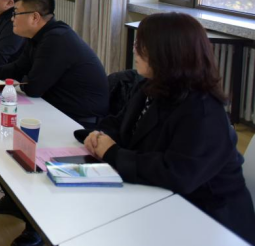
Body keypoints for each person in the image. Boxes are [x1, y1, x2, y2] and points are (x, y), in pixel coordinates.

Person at [84, 13, 255, 244]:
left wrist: (112, 153)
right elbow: (120, 124)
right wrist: (99, 136)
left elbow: (177, 173)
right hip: (159, 198)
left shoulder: (203, 111)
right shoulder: (150, 86)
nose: (134, 50)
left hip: (208, 220)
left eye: (141, 45)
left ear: (167, 53)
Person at [0, 0, 109, 246]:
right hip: (56, 107)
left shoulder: (56, 40)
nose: (13, 18)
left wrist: (15, 81)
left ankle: (35, 228)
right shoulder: (39, 36)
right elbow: (20, 67)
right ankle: (14, 202)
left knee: (23, 144)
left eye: (17, 13)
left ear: (35, 17)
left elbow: (34, 86)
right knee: (4, 133)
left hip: (78, 120)